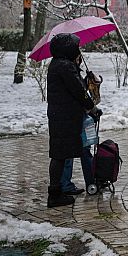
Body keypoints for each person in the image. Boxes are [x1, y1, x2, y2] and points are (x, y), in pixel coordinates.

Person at [47, 33, 97, 208]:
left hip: (61, 116)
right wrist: (92, 108)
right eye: (76, 47)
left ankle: (57, 191)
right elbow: (78, 91)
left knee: (60, 155)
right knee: (60, 156)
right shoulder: (64, 66)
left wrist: (82, 75)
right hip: (65, 117)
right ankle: (54, 194)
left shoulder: (61, 64)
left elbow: (73, 87)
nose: (78, 50)